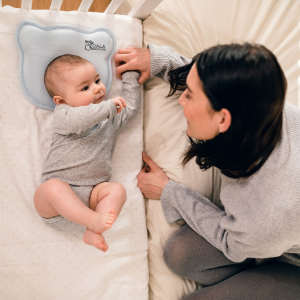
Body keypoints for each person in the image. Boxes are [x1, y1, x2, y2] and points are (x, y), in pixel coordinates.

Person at [114, 44, 300, 299]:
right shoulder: (261, 104)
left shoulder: (268, 213)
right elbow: (219, 79)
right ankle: (258, 260)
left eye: (189, 94)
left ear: (223, 120)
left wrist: (171, 192)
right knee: (180, 254)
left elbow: (230, 243)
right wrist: (162, 60)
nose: (181, 99)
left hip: (289, 259)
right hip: (270, 238)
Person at [34, 54, 140, 252]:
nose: (97, 88)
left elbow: (130, 107)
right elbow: (81, 119)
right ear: (61, 100)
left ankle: (93, 228)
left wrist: (130, 75)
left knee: (117, 190)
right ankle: (94, 221)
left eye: (97, 80)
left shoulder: (111, 118)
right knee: (51, 188)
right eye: (85, 87)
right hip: (57, 207)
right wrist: (108, 107)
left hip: (92, 198)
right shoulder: (64, 115)